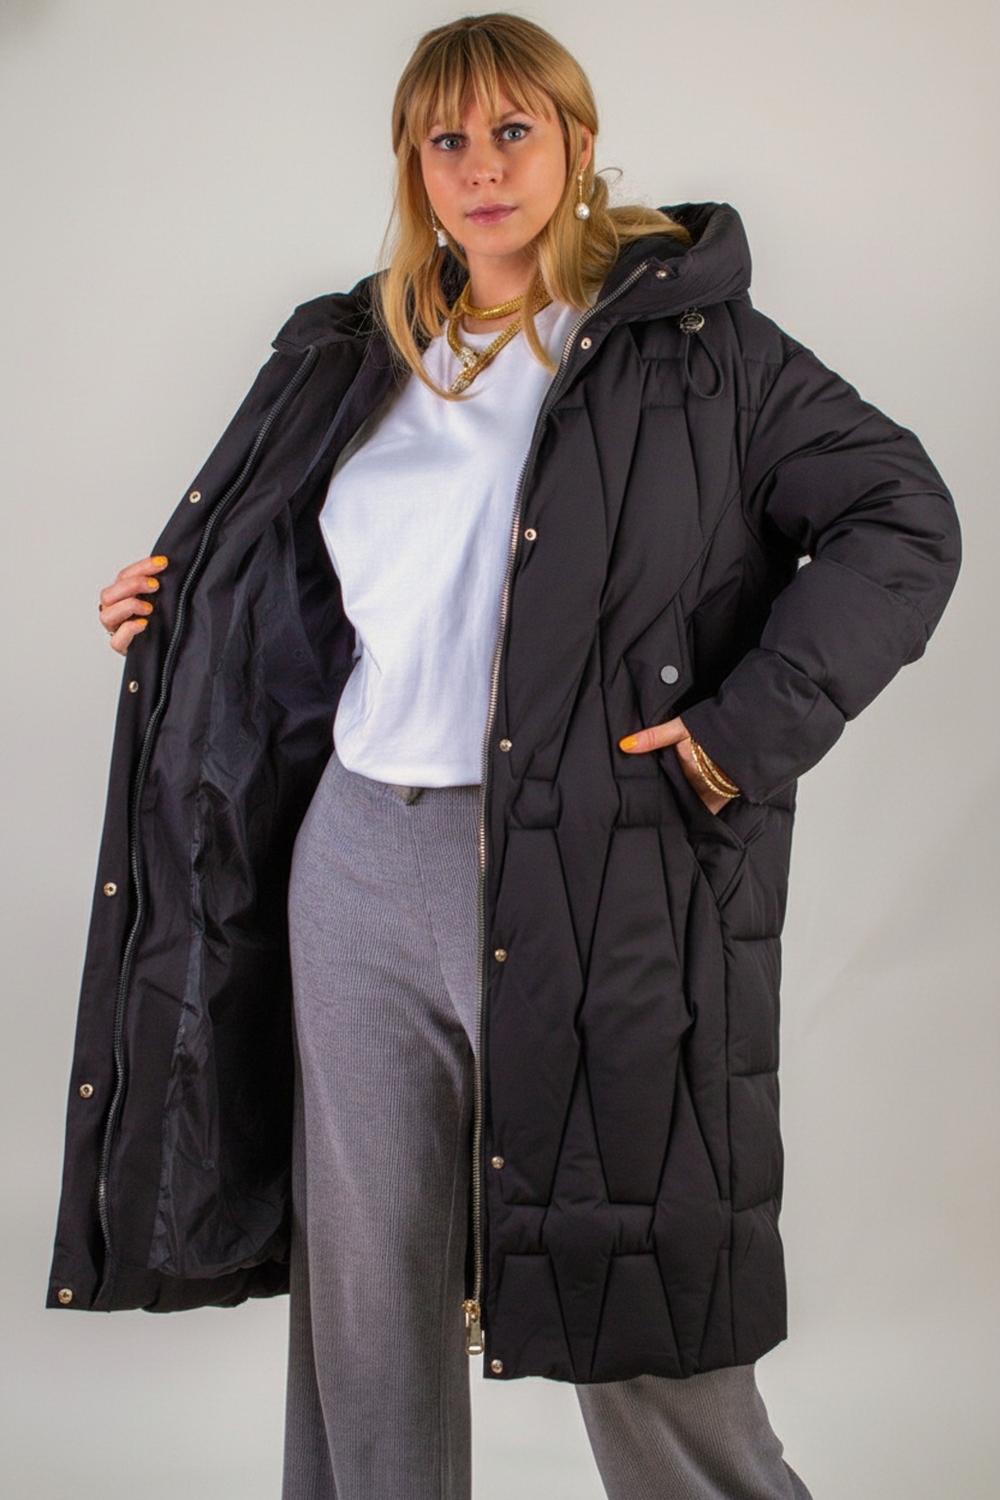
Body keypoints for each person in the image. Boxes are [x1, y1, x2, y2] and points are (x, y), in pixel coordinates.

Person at [48, 12, 960, 1500]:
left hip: (590, 859)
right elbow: (305, 587)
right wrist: (178, 612)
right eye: (447, 139)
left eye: (514, 131)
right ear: (414, 164)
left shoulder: (696, 352)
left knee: (633, 1273)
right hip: (356, 857)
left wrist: (736, 737)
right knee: (368, 1294)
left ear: (578, 145)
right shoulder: (353, 350)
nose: (481, 167)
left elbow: (903, 518)